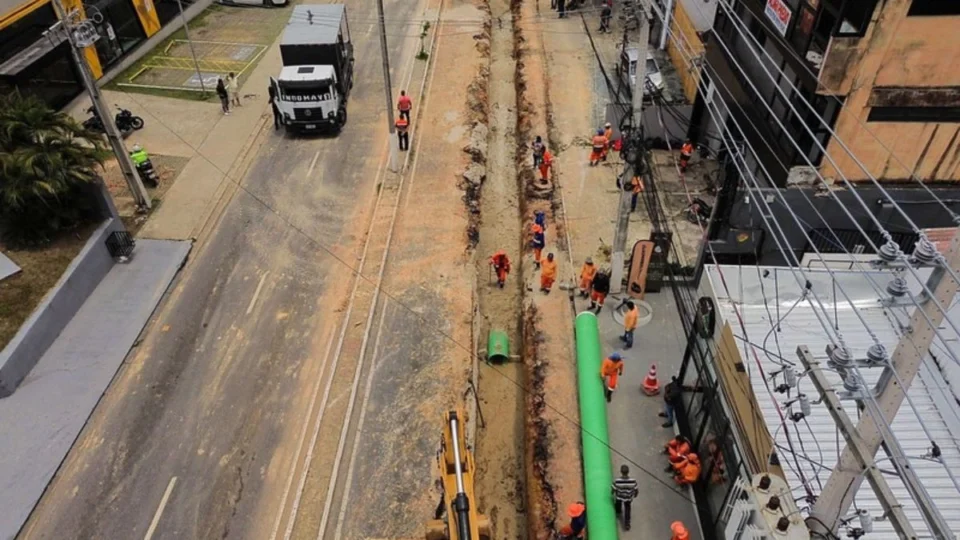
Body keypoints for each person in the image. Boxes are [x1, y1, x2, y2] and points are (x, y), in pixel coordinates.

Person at [611, 464, 639, 530]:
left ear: (621, 472)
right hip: (628, 498)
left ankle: (618, 511)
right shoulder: (633, 481)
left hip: (619, 496)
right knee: (627, 509)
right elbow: (636, 490)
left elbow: (613, 489)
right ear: (628, 472)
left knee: (618, 504)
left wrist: (612, 493)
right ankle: (627, 524)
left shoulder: (617, 481)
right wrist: (635, 495)